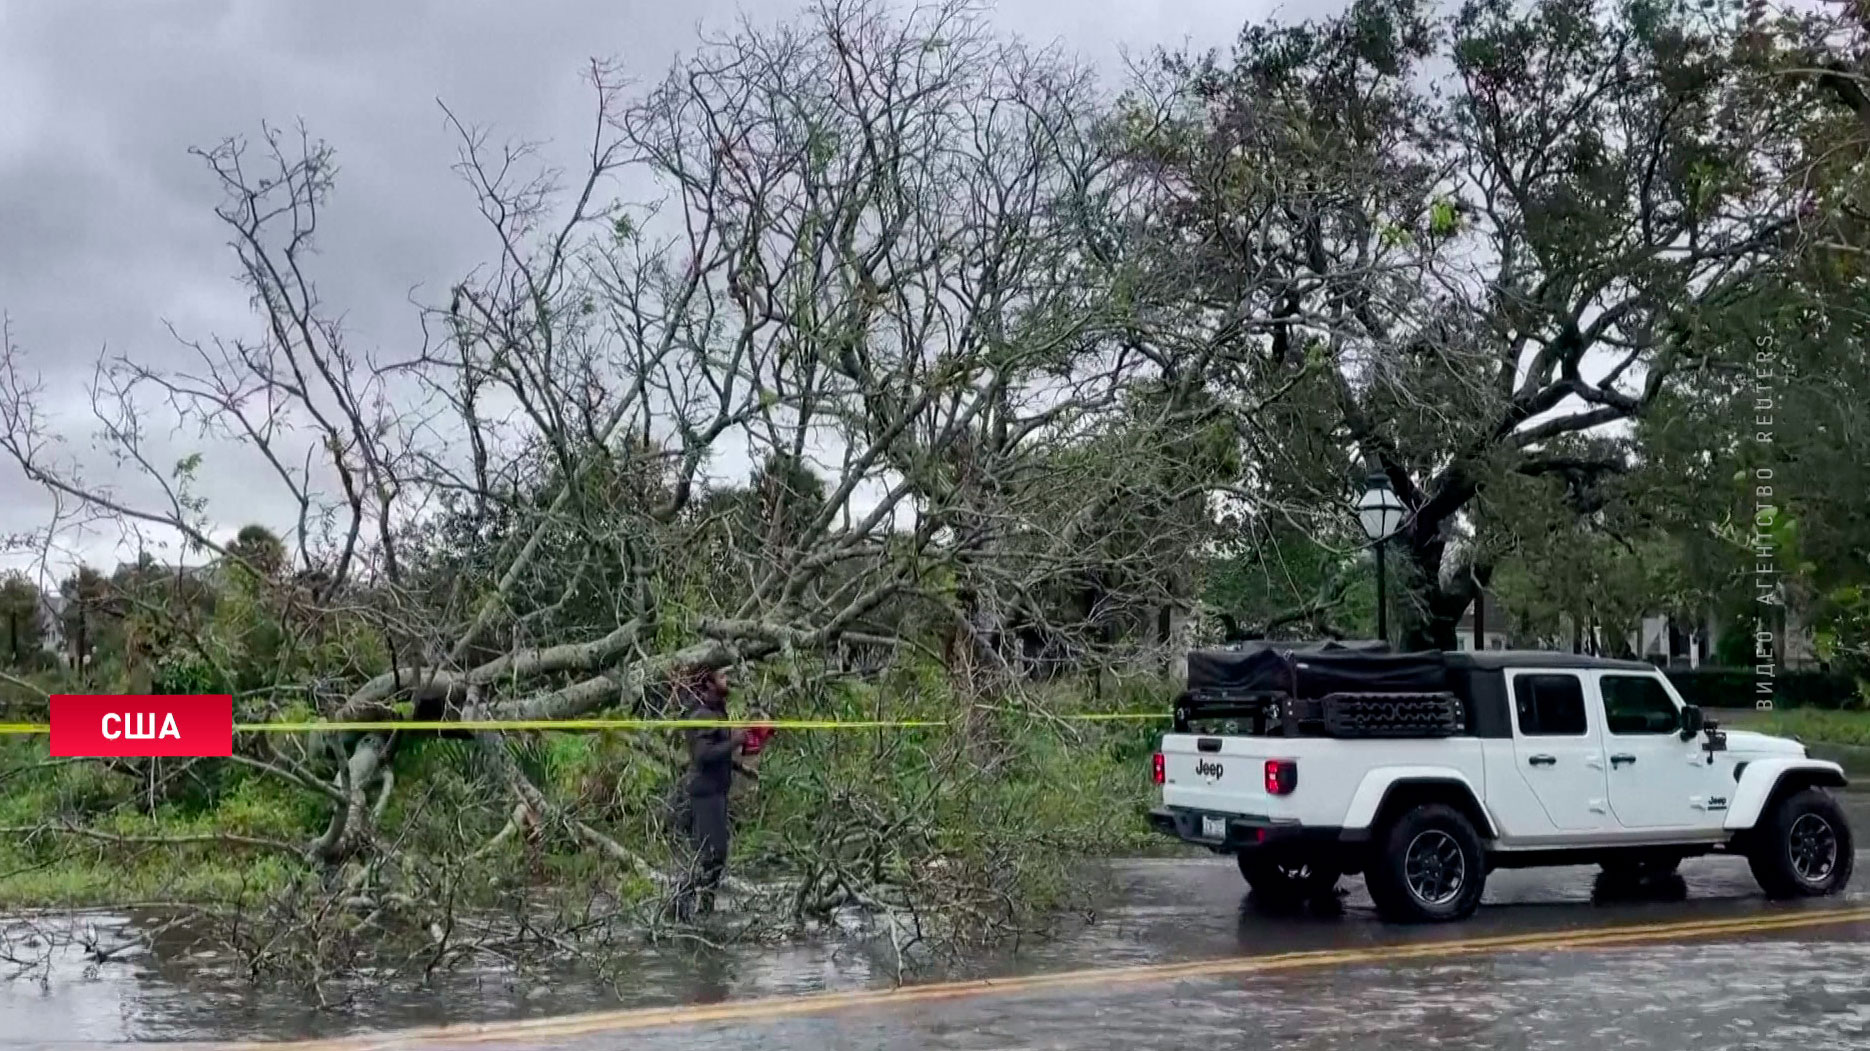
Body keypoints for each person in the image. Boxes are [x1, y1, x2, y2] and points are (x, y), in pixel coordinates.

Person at [672, 667, 744, 921]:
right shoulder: (702, 713)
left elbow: (715, 752)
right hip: (705, 793)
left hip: (716, 791)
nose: (728, 681)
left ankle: (703, 911)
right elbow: (703, 755)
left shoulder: (715, 710)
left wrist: (740, 766)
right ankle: (680, 905)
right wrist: (735, 741)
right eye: (722, 676)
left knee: (714, 856)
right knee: (712, 855)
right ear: (708, 683)